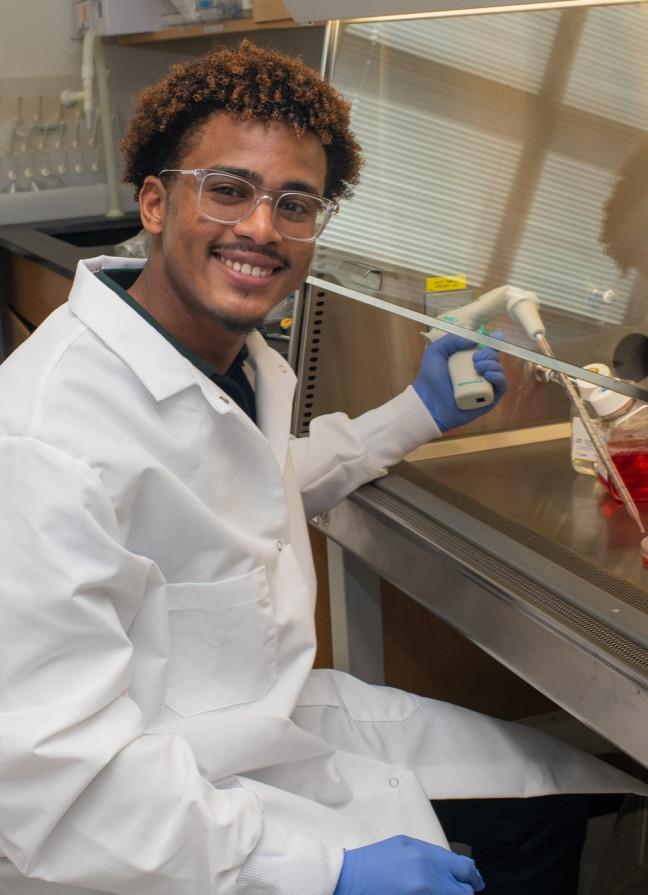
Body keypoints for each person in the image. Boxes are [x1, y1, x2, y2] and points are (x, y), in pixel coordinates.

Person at [0, 41, 641, 895]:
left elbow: (234, 488)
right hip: (158, 823)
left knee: (559, 794)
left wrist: (417, 413)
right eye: (227, 189)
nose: (261, 228)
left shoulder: (223, 358)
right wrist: (326, 870)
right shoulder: (41, 440)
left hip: (259, 728)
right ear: (154, 201)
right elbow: (51, 791)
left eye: (294, 203)